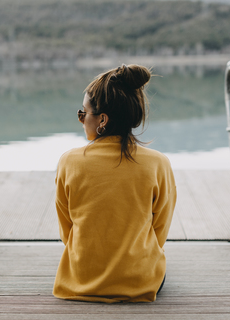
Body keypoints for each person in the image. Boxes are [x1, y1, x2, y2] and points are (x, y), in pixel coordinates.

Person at [53, 64, 177, 303]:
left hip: (80, 280)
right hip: (141, 281)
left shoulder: (69, 162)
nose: (81, 120)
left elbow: (66, 229)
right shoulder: (158, 163)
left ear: (102, 119)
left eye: (83, 113)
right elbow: (160, 230)